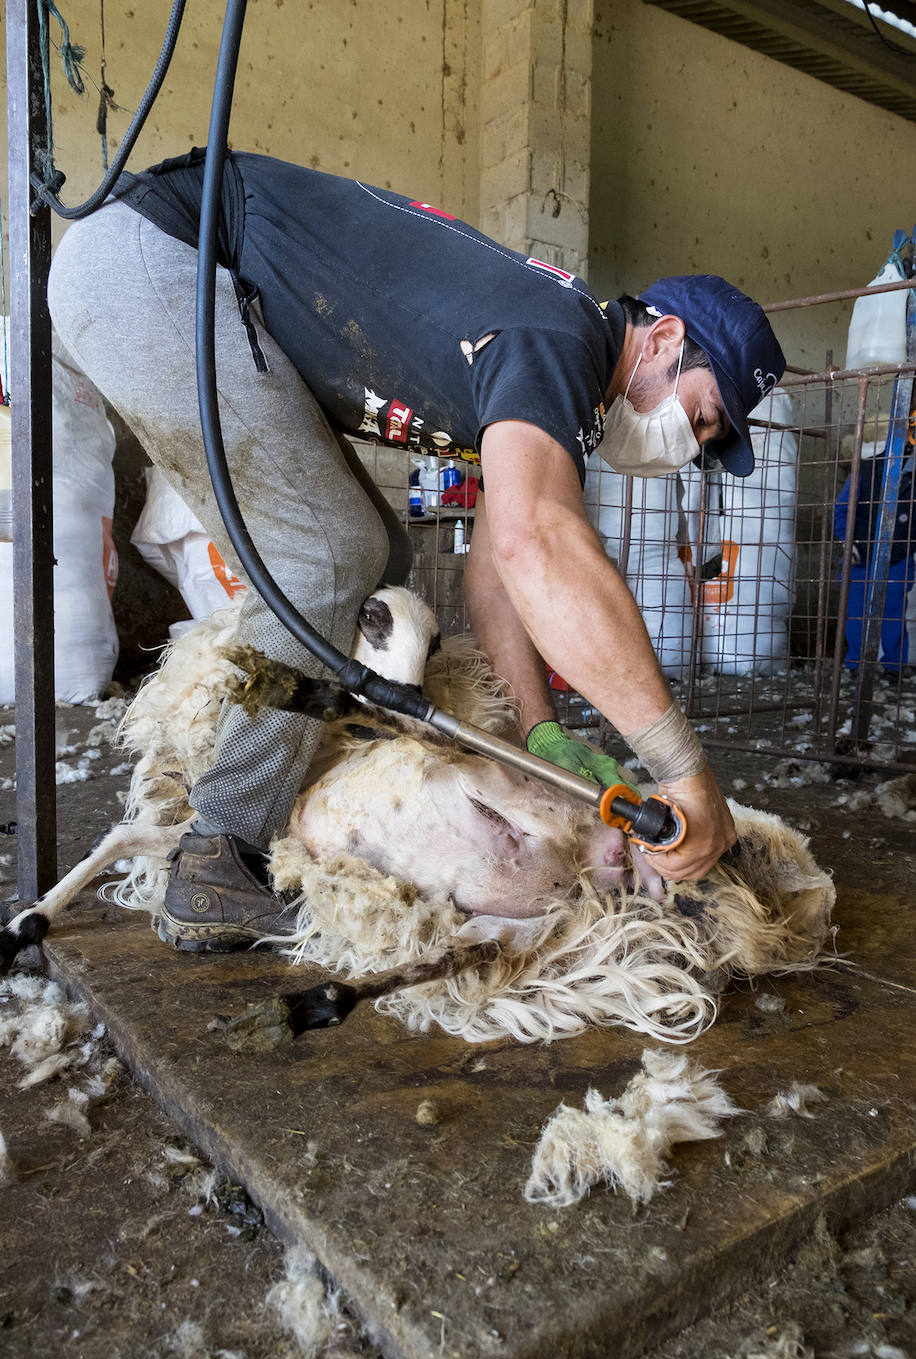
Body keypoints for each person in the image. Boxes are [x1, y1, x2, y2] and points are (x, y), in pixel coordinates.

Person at [47, 148, 786, 952]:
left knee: (376, 557)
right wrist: (684, 771)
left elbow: (500, 567)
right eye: (705, 418)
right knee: (329, 555)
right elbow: (536, 541)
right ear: (665, 338)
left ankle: (311, 781)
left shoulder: (558, 367)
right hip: (158, 259)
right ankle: (219, 853)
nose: (694, 445)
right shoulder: (558, 341)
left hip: (164, 268)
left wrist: (538, 732)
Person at [834, 451, 915, 676]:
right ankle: (856, 667)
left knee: (893, 612)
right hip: (862, 551)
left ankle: (894, 668)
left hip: (899, 554)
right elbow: (842, 508)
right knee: (856, 611)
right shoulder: (866, 469)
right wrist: (846, 541)